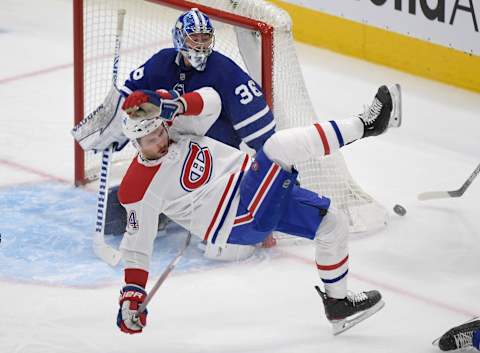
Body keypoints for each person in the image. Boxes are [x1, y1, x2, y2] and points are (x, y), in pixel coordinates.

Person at [114, 82, 402, 335]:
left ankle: (338, 306)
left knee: (332, 223)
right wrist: (132, 294)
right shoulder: (137, 188)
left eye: (160, 132)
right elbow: (137, 246)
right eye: (151, 141)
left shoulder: (176, 125)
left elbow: (212, 100)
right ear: (136, 143)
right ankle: (368, 124)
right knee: (277, 147)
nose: (161, 141)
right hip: (239, 218)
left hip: (254, 190)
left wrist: (176, 104)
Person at [106, 7, 278, 248]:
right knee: (113, 214)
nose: (199, 45)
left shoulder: (224, 72)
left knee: (223, 247)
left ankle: (177, 205)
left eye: (205, 38)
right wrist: (116, 132)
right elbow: (130, 101)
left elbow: (264, 136)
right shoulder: (162, 63)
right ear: (179, 38)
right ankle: (167, 206)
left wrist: (273, 199)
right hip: (172, 156)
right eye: (193, 38)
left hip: (212, 167)